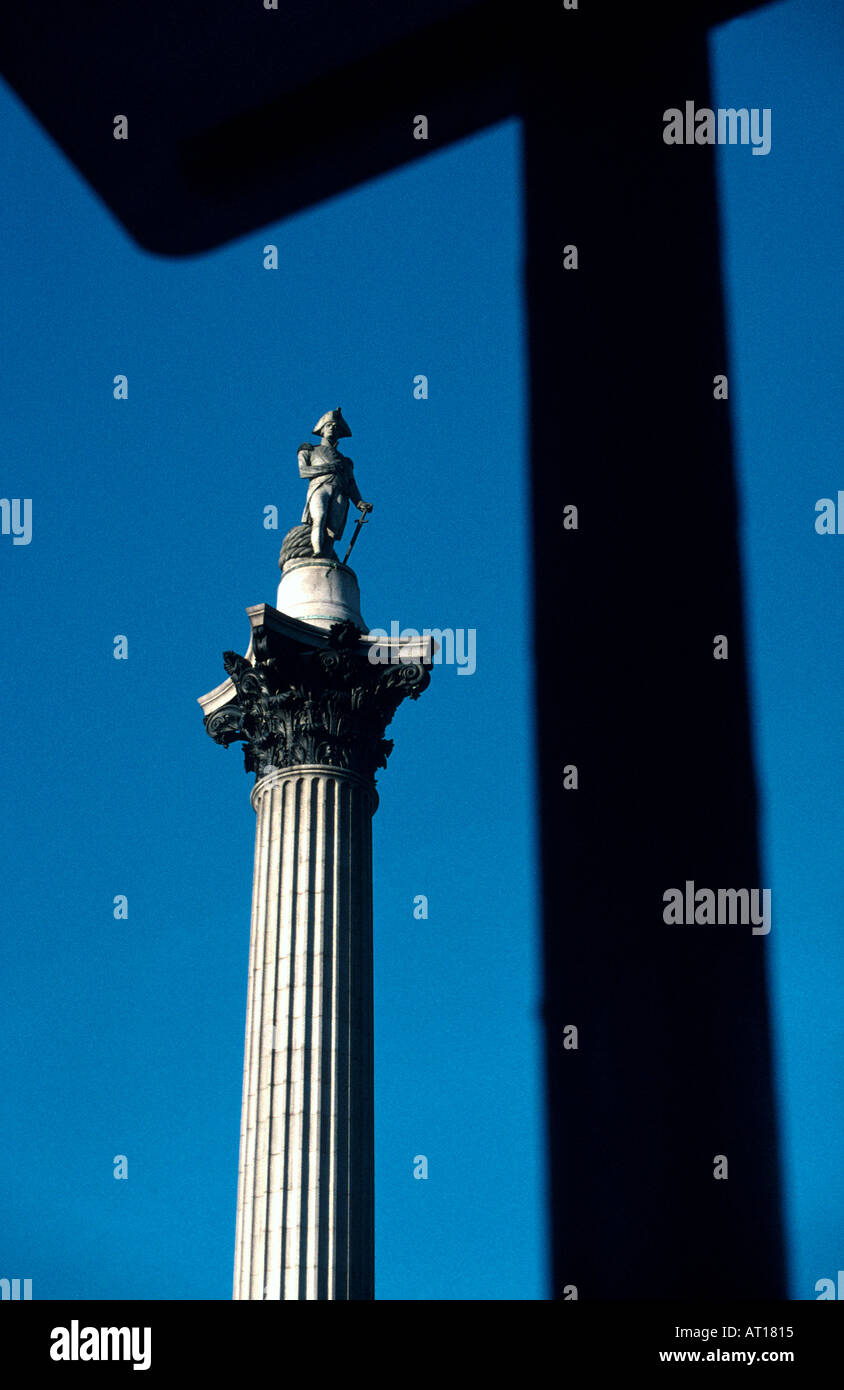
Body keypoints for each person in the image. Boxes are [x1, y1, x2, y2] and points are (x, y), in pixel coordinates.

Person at [298, 408, 372, 558]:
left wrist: (359, 502)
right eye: (329, 425)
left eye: (335, 426)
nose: (332, 428)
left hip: (340, 491)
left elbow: (351, 484)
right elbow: (304, 472)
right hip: (319, 487)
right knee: (319, 518)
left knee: (333, 529)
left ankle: (326, 555)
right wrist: (329, 468)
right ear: (322, 428)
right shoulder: (309, 450)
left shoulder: (345, 461)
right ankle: (317, 552)